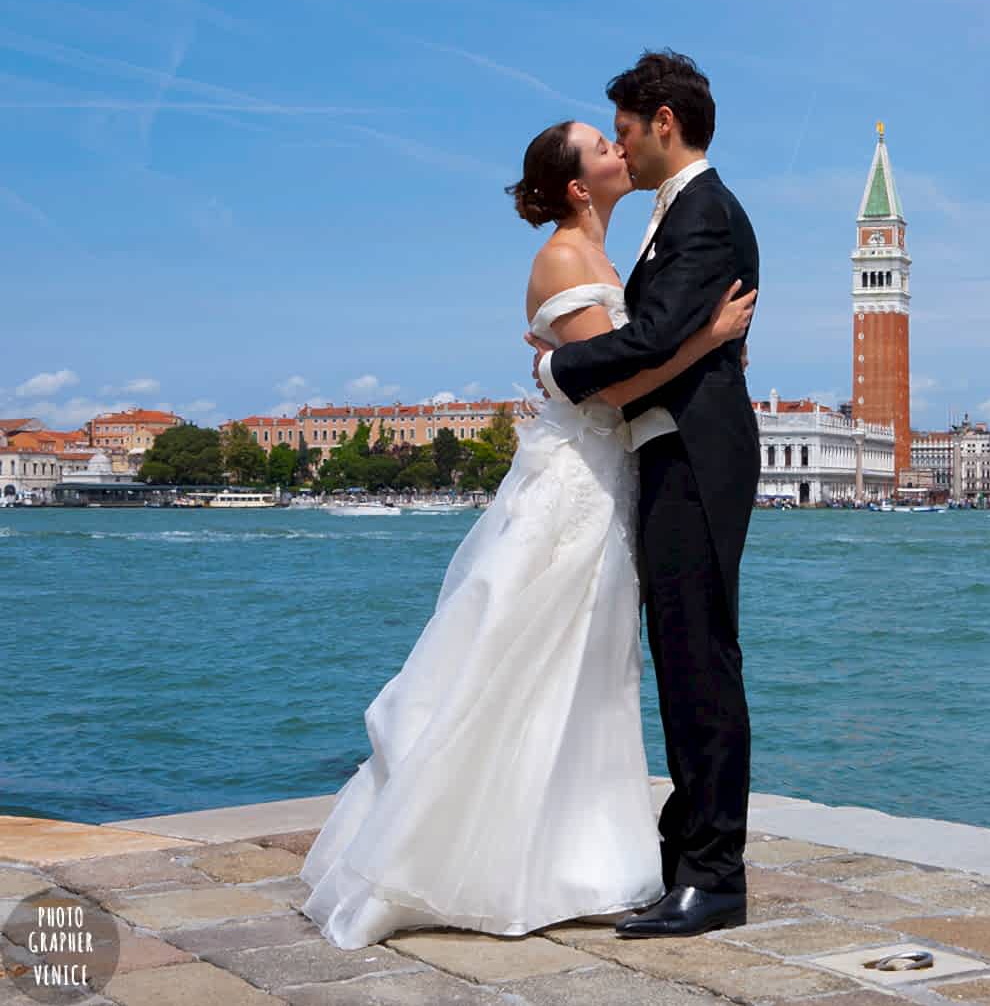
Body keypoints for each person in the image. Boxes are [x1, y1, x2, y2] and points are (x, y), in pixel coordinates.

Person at [296, 113, 756, 951]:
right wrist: (710, 340)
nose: (621, 151)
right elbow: (612, 390)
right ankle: (504, 852)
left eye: (621, 137)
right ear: (581, 185)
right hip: (582, 479)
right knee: (535, 653)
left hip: (616, 477)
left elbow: (626, 356)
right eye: (604, 145)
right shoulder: (563, 257)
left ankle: (581, 851)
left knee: (589, 666)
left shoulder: (615, 254)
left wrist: (689, 347)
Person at [528, 50, 759, 938]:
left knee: (701, 660)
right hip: (676, 453)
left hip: (694, 457)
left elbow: (657, 336)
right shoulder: (681, 214)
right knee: (687, 659)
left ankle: (715, 874)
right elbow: (676, 336)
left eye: (623, 126)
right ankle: (688, 849)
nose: (620, 143)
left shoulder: (702, 213)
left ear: (663, 121)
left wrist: (556, 366)